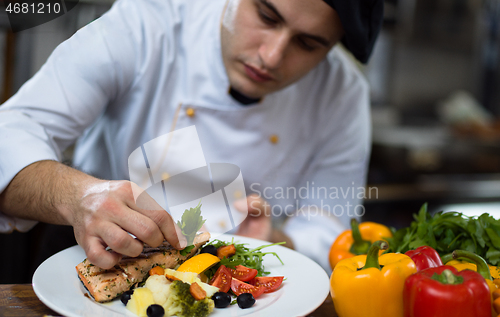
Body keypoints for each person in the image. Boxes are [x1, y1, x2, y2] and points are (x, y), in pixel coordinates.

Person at [0, 0, 383, 271]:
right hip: (97, 258)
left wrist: (276, 240)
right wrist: (79, 196)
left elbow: (331, 227)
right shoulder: (148, 22)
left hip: (243, 284)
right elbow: (13, 130)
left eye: (307, 43)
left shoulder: (341, 93)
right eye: (266, 15)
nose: (271, 56)